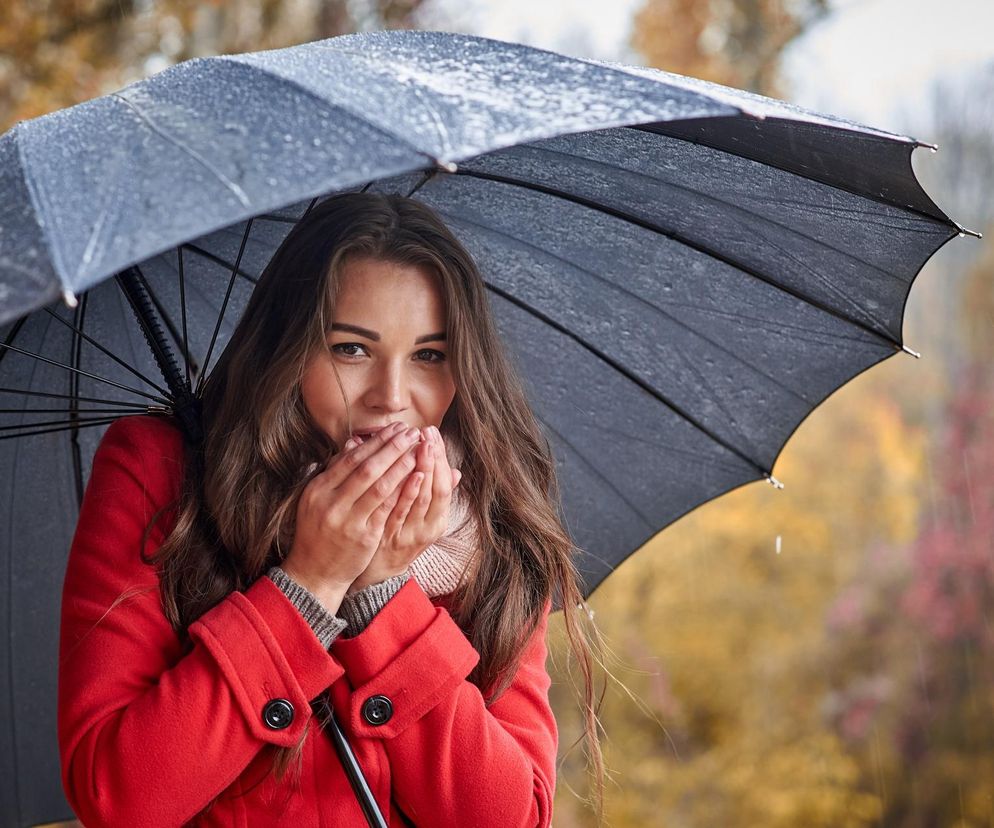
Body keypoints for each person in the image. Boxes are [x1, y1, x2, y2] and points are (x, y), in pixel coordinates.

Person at [58, 191, 603, 826]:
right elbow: (118, 797)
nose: (392, 397)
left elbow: (512, 817)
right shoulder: (163, 471)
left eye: (430, 356)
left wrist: (385, 597)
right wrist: (308, 585)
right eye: (351, 349)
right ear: (288, 353)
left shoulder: (489, 513)